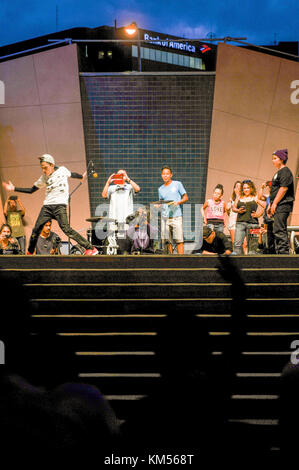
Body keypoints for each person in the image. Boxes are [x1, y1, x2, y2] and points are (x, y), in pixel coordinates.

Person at [2, 154, 98, 255]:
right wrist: (14, 188)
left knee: (66, 229)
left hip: (59, 206)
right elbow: (31, 190)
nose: (44, 170)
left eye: (45, 168)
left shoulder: (62, 170)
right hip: (47, 206)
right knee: (36, 229)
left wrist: (81, 177)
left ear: (52, 165)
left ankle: (90, 248)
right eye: (42, 168)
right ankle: (30, 252)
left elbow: (72, 174)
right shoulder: (44, 178)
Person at [102, 169, 140, 253]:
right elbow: (104, 195)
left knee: (127, 239)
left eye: (123, 174)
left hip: (127, 220)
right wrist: (108, 183)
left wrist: (128, 179)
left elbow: (137, 189)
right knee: (114, 240)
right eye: (119, 175)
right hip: (114, 219)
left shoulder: (129, 187)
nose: (121, 176)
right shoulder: (112, 188)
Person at [266, 149, 294, 254]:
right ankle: (279, 252)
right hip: (277, 205)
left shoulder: (286, 172)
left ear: (281, 159)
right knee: (276, 230)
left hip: (283, 205)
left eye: (275, 158)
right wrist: (270, 204)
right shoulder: (278, 173)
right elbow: (274, 191)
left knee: (279, 229)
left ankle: (283, 254)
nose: (273, 161)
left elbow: (283, 189)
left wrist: (275, 203)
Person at [158, 166, 188, 255]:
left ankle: (181, 260)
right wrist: (158, 206)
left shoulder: (177, 184)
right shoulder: (160, 189)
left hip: (176, 216)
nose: (165, 176)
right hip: (165, 217)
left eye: (167, 174)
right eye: (163, 174)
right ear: (161, 175)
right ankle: (170, 259)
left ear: (171, 175)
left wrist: (178, 202)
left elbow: (186, 197)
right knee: (167, 241)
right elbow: (162, 203)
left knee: (179, 240)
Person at [233, 180, 265, 255]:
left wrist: (259, 214)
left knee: (253, 247)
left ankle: (252, 264)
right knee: (237, 245)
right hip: (240, 223)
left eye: (248, 188)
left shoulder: (255, 197)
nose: (246, 190)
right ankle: (237, 264)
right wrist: (238, 210)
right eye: (244, 188)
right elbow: (233, 208)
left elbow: (265, 206)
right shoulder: (239, 197)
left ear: (251, 188)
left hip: (253, 224)